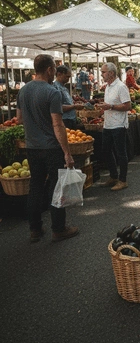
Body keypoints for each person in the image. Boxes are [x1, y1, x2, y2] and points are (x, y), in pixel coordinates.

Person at [16, 54, 79, 243]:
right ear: (50, 70)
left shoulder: (23, 91)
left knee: (35, 185)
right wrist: (67, 152)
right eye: (54, 69)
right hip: (51, 147)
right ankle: (59, 228)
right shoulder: (52, 92)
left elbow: (19, 119)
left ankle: (35, 228)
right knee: (56, 187)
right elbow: (58, 125)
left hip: (32, 147)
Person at [97, 62, 132, 191]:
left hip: (118, 125)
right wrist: (103, 111)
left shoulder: (121, 87)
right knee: (106, 151)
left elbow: (128, 106)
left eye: (103, 72)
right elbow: (109, 104)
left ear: (111, 73)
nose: (102, 74)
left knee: (120, 153)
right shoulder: (108, 86)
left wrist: (110, 107)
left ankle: (123, 180)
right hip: (108, 124)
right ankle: (113, 176)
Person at [53, 65, 84, 130]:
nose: (68, 79)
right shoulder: (55, 88)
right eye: (67, 76)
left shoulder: (64, 88)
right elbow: (58, 107)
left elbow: (67, 103)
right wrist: (74, 106)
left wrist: (74, 103)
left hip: (71, 119)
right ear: (59, 74)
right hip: (64, 120)